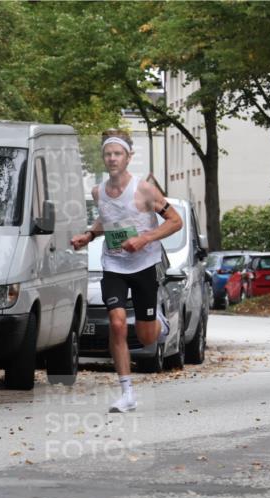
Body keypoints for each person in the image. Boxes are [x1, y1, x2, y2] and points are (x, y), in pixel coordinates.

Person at [71, 129, 183, 413]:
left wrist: (144, 239)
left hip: (144, 266)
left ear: (128, 157)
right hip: (114, 265)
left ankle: (159, 323)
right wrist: (89, 235)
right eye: (108, 154)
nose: (112, 158)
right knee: (118, 323)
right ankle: (127, 392)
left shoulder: (144, 190)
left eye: (117, 154)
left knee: (147, 338)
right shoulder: (98, 192)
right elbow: (106, 219)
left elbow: (175, 221)